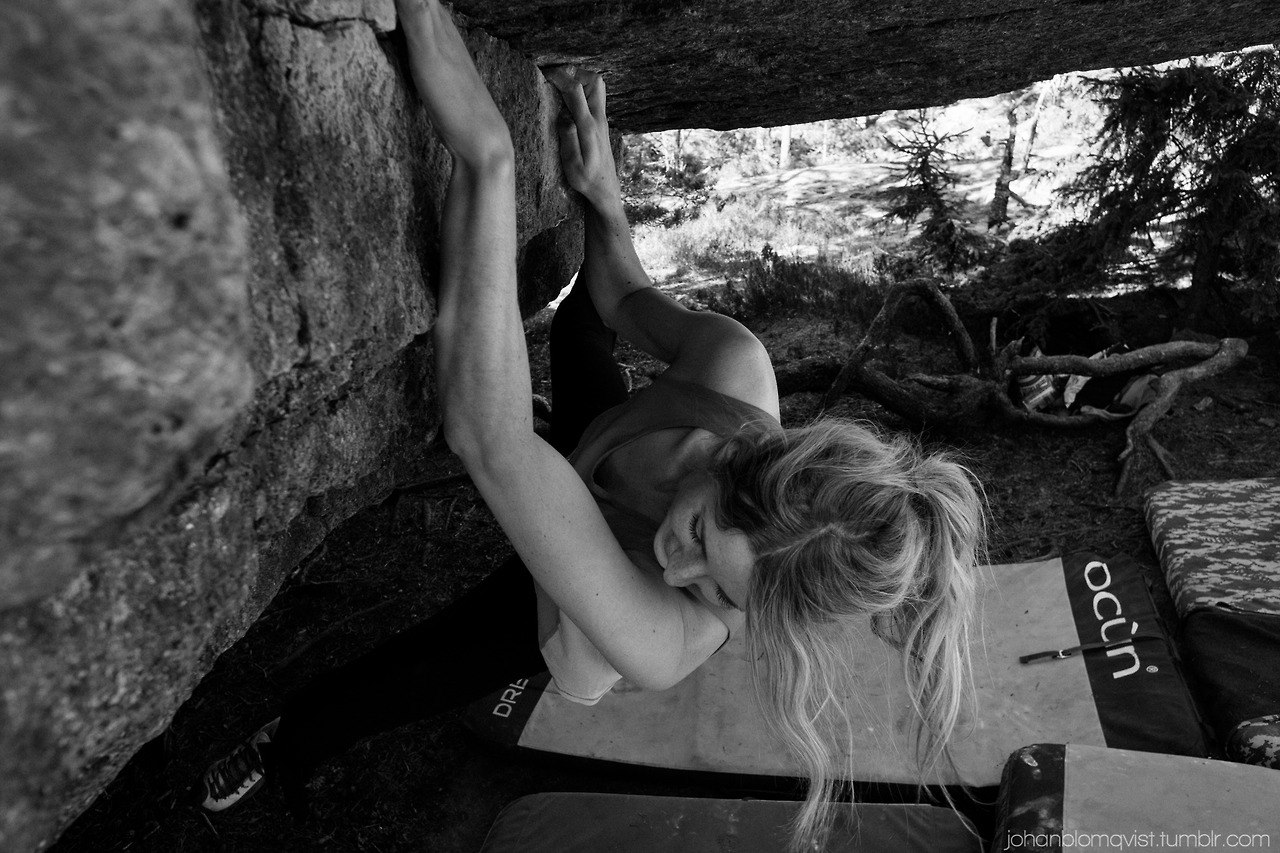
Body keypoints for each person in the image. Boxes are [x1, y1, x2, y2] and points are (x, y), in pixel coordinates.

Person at [199, 1, 986, 848]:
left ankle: (283, 744)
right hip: (600, 446)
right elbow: (619, 296)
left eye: (723, 591)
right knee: (581, 325)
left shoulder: (661, 632)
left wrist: (490, 156)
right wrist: (604, 202)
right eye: (699, 531)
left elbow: (489, 436)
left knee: (410, 674)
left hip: (570, 603)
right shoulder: (734, 371)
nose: (677, 562)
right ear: (738, 454)